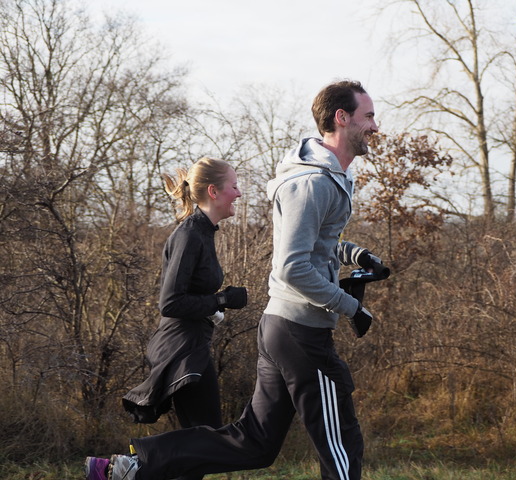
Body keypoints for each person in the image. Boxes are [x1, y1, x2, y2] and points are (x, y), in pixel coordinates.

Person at [85, 80, 386, 480]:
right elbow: (292, 268)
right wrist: (351, 307)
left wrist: (354, 254)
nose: (375, 126)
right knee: (341, 444)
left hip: (288, 328)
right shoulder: (310, 183)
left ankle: (133, 467)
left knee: (255, 443)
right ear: (341, 118)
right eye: (368, 116)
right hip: (300, 331)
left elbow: (317, 244)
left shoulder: (329, 179)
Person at [85, 157, 248, 480]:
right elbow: (170, 302)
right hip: (182, 349)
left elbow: (188, 295)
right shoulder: (190, 234)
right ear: (214, 191)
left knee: (200, 445)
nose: (239, 193)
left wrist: (214, 309)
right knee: (208, 439)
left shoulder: (204, 232)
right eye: (234, 186)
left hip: (191, 344)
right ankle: (115, 466)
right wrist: (221, 299)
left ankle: (118, 468)